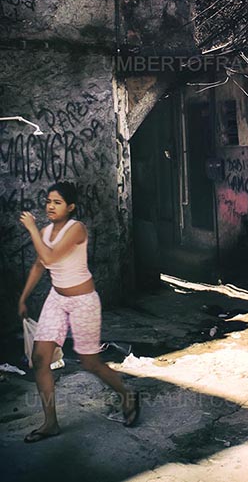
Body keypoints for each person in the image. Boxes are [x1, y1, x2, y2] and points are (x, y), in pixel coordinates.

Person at [18, 181, 139, 443]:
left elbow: (49, 259)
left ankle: (127, 394)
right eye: (48, 201)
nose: (50, 206)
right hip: (57, 299)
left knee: (90, 362)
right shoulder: (46, 232)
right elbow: (39, 265)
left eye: (57, 202)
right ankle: (50, 423)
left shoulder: (76, 229)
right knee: (40, 359)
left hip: (83, 301)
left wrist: (32, 229)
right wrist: (23, 298)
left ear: (70, 207)